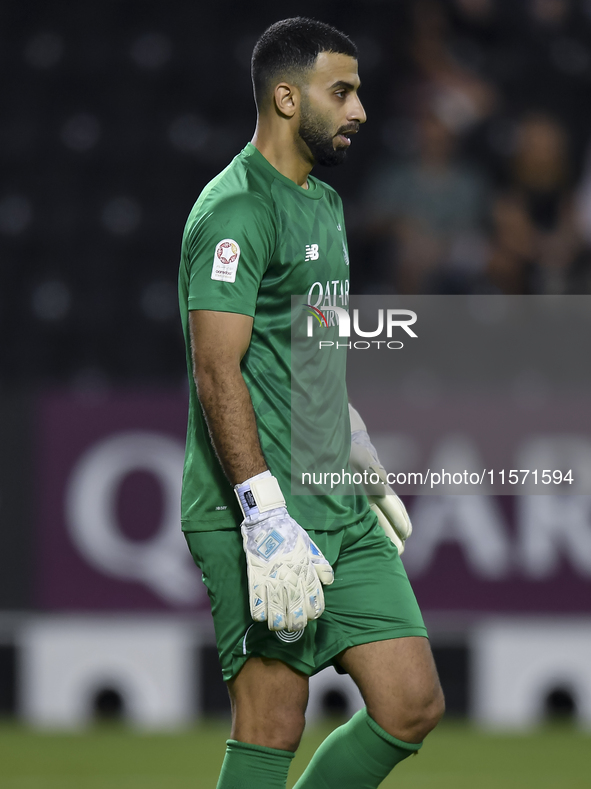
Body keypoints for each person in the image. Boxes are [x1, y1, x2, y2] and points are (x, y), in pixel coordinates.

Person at [178, 17, 444, 789]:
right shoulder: (234, 209)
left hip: (331, 496)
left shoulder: (322, 204)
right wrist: (261, 513)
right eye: (343, 91)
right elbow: (215, 368)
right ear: (287, 98)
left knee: (410, 702)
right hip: (255, 508)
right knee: (272, 721)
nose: (359, 109)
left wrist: (348, 433)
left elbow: (308, 347)